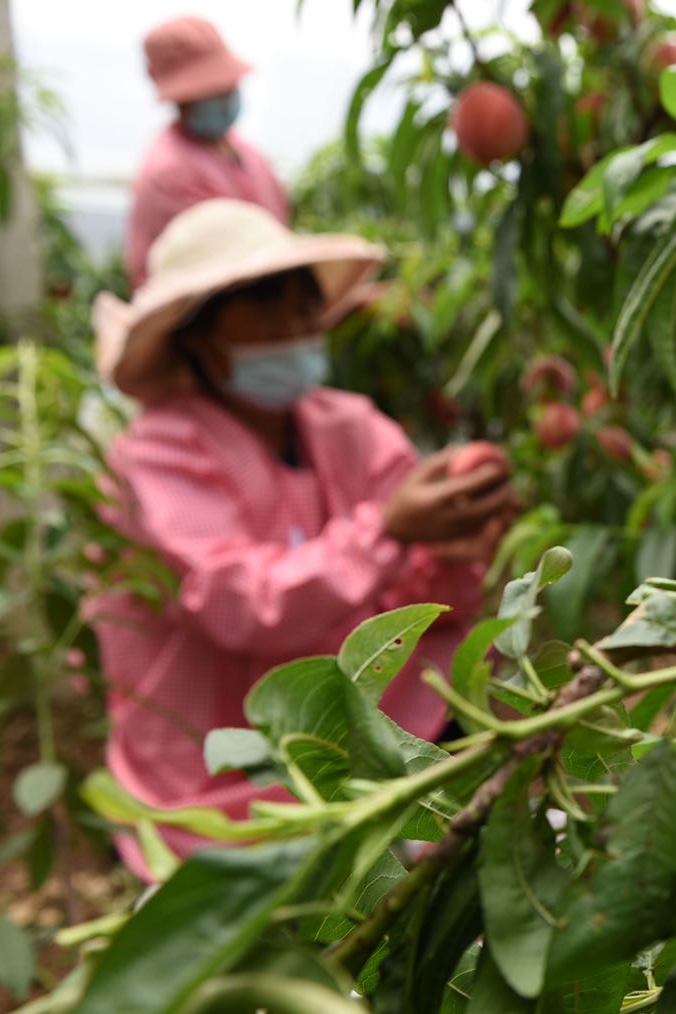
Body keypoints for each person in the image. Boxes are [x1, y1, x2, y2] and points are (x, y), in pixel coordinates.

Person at [91, 198, 517, 881]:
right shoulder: (154, 456)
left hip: (354, 733)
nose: (292, 326)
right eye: (263, 307)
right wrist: (388, 529)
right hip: (212, 763)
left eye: (301, 305)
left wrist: (459, 543)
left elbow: (422, 598)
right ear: (195, 335)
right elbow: (236, 600)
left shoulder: (347, 425)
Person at [125, 16, 289, 289]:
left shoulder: (242, 149)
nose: (227, 97)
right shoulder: (170, 174)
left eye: (229, 87)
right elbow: (221, 274)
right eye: (215, 90)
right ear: (182, 100)